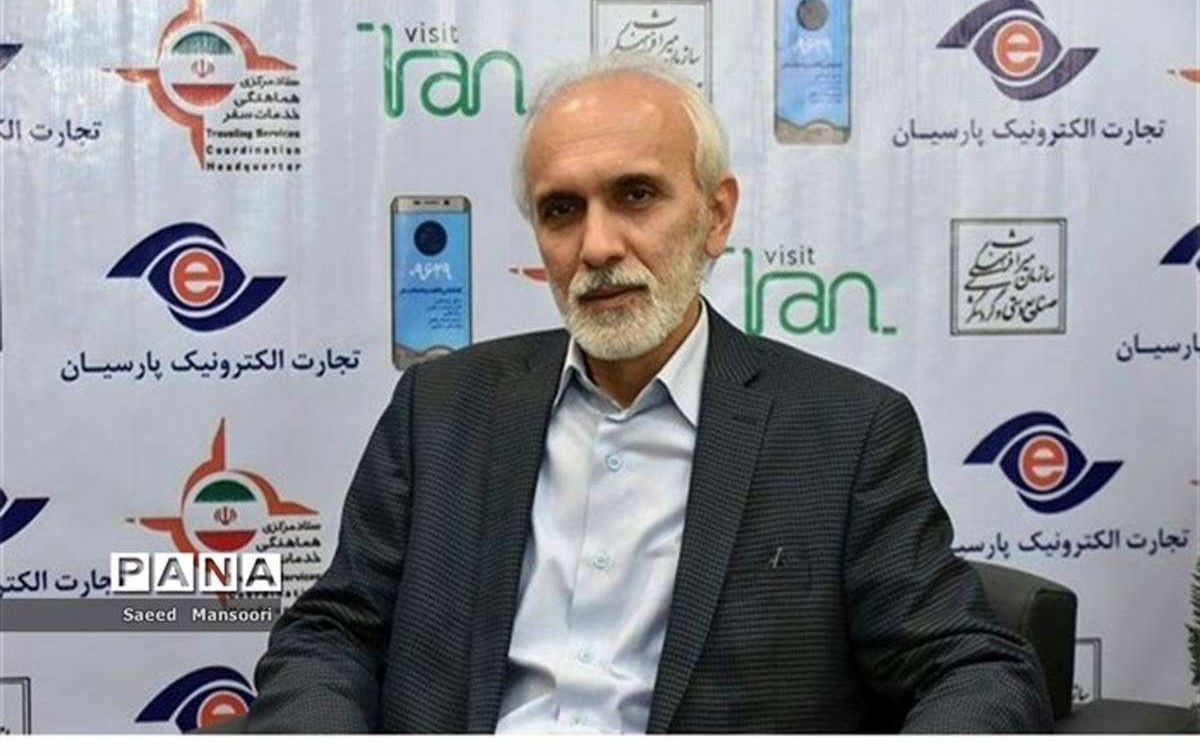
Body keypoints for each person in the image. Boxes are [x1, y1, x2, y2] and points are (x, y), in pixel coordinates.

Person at [245, 54, 1052, 733]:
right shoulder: (440, 409)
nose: (597, 246)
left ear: (715, 215)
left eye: (635, 195)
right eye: (562, 210)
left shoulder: (845, 432)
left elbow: (973, 666)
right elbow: (332, 631)